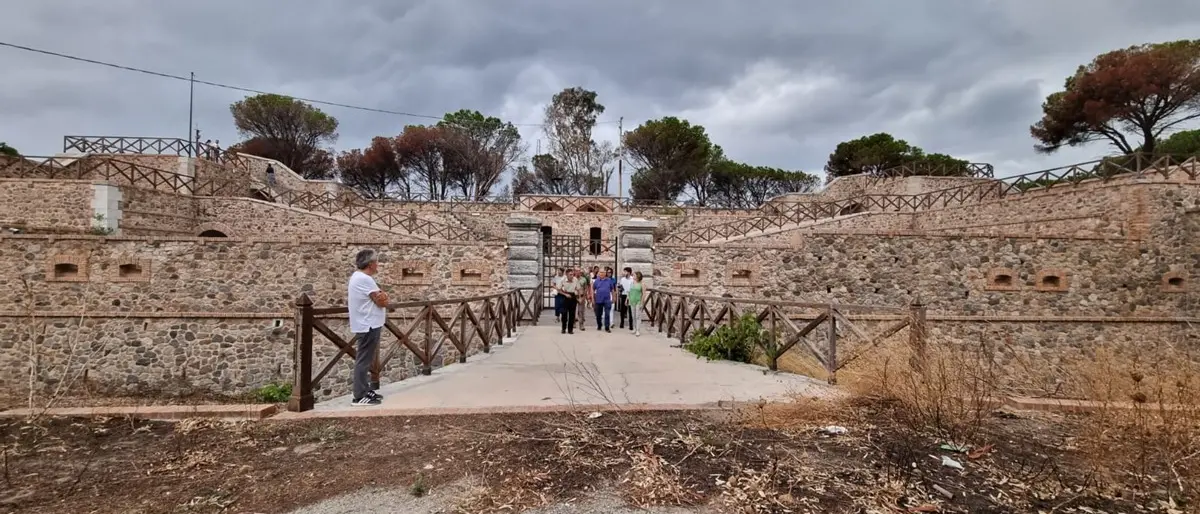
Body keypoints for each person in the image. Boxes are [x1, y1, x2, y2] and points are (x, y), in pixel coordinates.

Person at [347, 249, 389, 407]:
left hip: (366, 323)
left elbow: (379, 297)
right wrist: (384, 297)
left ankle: (365, 390)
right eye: (376, 262)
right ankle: (359, 396)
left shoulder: (357, 277)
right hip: (368, 324)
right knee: (363, 360)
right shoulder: (365, 279)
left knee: (365, 359)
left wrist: (382, 296)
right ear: (370, 264)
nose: (378, 265)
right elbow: (381, 301)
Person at [559, 269, 581, 334]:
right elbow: (559, 290)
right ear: (567, 275)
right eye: (570, 275)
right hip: (565, 296)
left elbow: (579, 289)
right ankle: (563, 328)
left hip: (572, 296)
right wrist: (565, 294)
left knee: (572, 314)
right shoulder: (563, 280)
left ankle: (570, 329)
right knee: (564, 314)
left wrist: (579, 298)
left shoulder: (575, 280)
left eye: (572, 274)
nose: (572, 276)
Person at [629, 271, 645, 336]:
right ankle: (635, 328)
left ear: (638, 276)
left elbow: (644, 294)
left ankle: (638, 330)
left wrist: (642, 302)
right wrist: (627, 299)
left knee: (638, 316)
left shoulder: (642, 284)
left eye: (634, 275)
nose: (633, 276)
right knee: (633, 316)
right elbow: (629, 292)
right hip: (632, 301)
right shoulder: (632, 283)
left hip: (638, 301)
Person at [576, 267, 590, 331]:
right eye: (576, 271)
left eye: (579, 271)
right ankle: (573, 322)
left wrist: (584, 297)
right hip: (574, 296)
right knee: (573, 311)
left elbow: (586, 288)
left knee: (581, 311)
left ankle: (581, 324)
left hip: (581, 296)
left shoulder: (584, 279)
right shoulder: (573, 279)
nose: (578, 272)